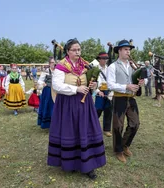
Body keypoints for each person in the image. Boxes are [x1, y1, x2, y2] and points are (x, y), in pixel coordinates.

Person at [48, 38, 106, 180]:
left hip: (84, 104)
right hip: (67, 104)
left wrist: (94, 86)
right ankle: (71, 163)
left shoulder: (85, 65)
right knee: (71, 132)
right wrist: (76, 89)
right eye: (74, 50)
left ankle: (88, 166)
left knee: (86, 131)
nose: (77, 52)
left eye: (79, 49)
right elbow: (57, 86)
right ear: (67, 51)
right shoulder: (61, 66)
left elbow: (93, 82)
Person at [107, 39, 144, 163]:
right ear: (119, 51)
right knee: (118, 125)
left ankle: (125, 145)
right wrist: (126, 86)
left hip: (131, 98)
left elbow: (140, 79)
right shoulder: (113, 66)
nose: (128, 52)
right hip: (119, 98)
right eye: (126, 49)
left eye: (129, 50)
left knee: (135, 124)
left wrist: (143, 81)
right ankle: (118, 150)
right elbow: (110, 85)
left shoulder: (133, 66)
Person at [94, 52, 113, 137]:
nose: (105, 60)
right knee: (97, 110)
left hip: (108, 91)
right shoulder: (95, 69)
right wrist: (98, 91)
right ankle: (92, 128)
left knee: (108, 110)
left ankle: (106, 129)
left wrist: (111, 91)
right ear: (99, 59)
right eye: (103, 59)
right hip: (99, 90)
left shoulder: (109, 69)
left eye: (106, 59)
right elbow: (92, 82)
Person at [37, 57, 55, 129]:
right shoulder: (46, 71)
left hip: (56, 91)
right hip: (48, 91)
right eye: (52, 63)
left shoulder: (58, 71)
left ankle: (55, 122)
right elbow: (40, 80)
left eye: (54, 63)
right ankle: (48, 123)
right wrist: (43, 83)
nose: (53, 64)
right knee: (48, 106)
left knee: (55, 106)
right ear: (49, 63)